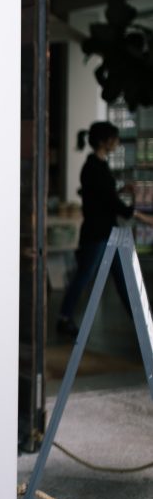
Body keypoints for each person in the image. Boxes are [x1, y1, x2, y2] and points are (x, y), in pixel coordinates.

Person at [57, 120, 153, 338]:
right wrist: (142, 217)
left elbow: (103, 197)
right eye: (115, 139)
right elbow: (109, 201)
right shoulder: (94, 168)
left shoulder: (98, 166)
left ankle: (143, 323)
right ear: (104, 141)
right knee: (85, 276)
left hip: (107, 232)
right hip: (97, 233)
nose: (117, 142)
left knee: (123, 279)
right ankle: (64, 318)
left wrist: (120, 190)